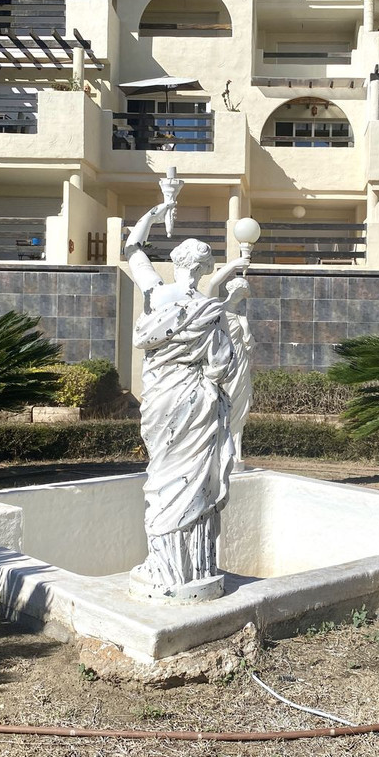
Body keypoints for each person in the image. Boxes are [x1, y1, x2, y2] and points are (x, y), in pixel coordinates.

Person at [124, 195, 249, 599]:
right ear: (205, 268)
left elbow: (132, 247)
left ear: (176, 263)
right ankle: (194, 568)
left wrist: (157, 210)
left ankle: (164, 568)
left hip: (162, 400)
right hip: (197, 400)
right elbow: (221, 366)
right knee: (194, 480)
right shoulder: (208, 310)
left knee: (163, 477)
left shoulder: (156, 294)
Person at [221, 277, 254, 467]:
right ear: (231, 290)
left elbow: (249, 345)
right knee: (224, 404)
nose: (240, 297)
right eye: (239, 292)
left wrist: (245, 327)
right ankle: (220, 449)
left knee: (239, 406)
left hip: (241, 363)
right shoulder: (218, 312)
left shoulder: (241, 318)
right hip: (225, 364)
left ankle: (235, 451)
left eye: (243, 294)